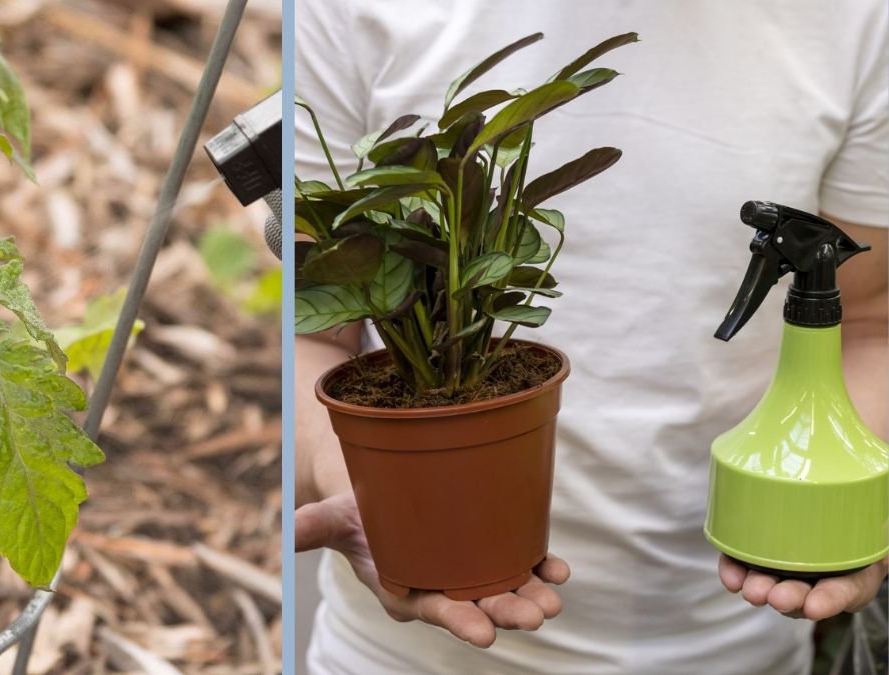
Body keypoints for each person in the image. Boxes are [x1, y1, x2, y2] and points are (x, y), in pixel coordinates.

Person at [293, 0, 888, 673]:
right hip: (392, 658)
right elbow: (312, 330)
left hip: (729, 640)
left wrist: (848, 503)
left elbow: (868, 320)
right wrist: (358, 490)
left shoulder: (858, 18)